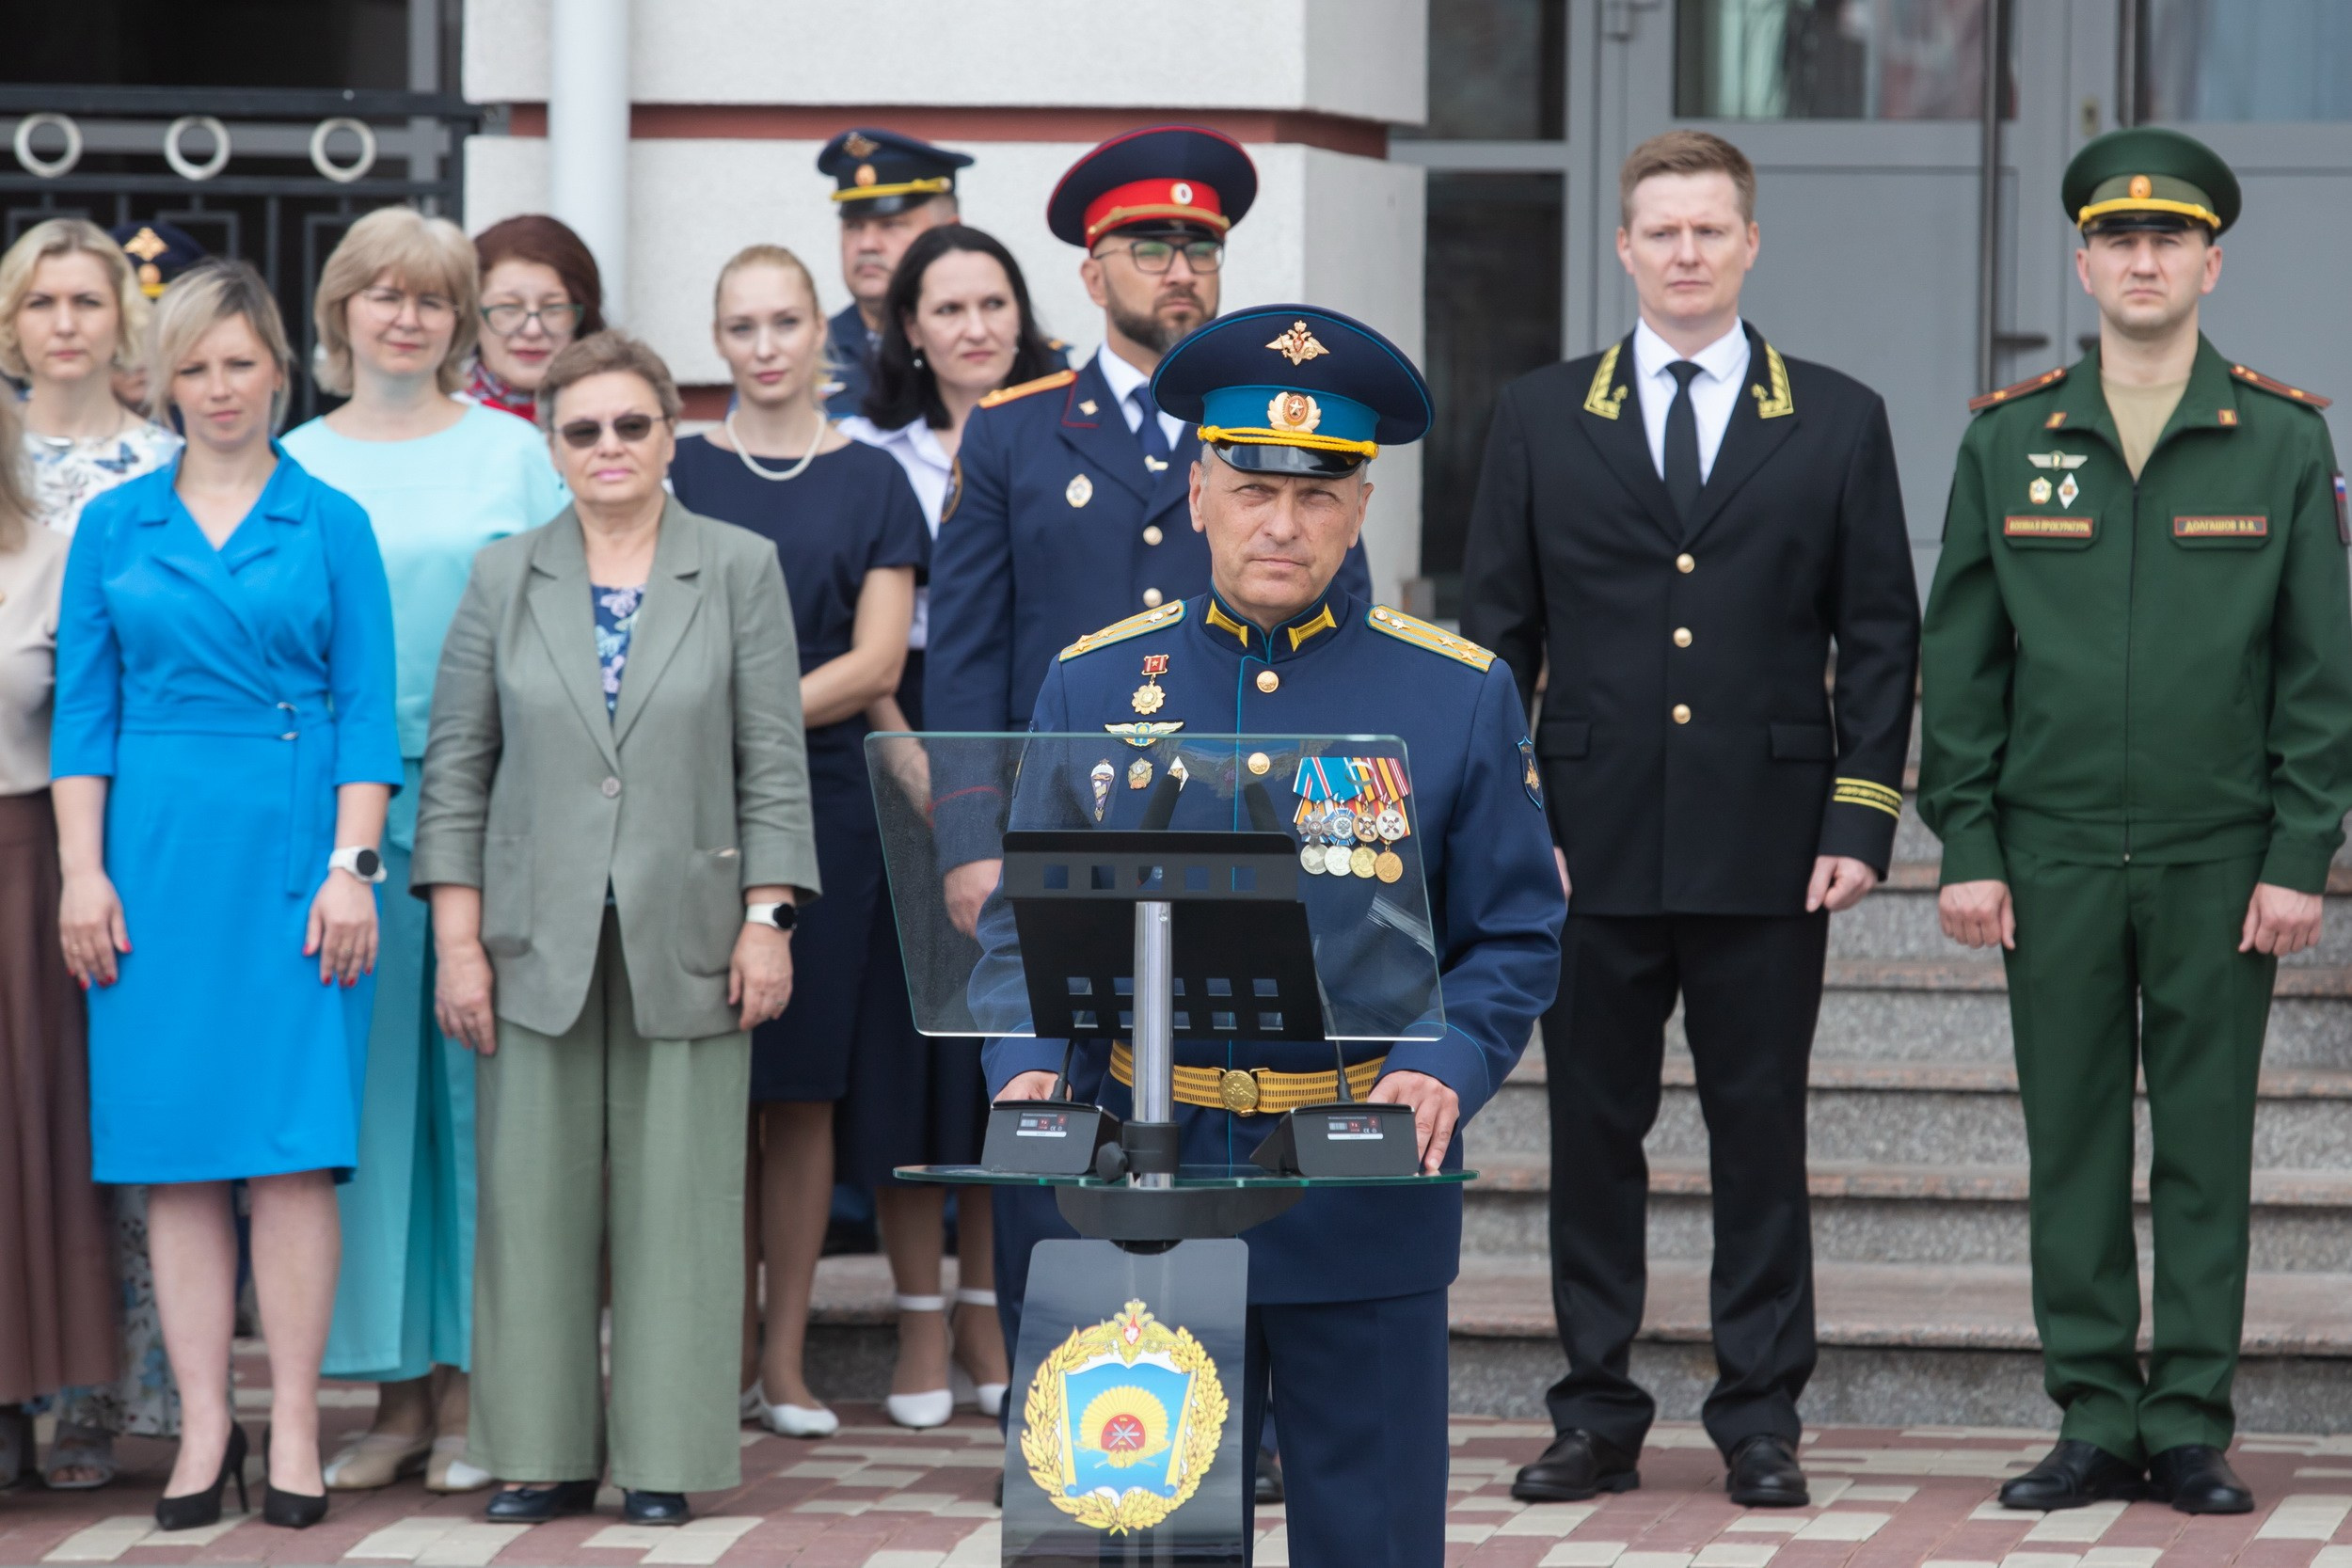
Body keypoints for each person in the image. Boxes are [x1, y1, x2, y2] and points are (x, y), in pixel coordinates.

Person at [981, 303, 1564, 1565]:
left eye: (1316, 495)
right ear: (1198, 492)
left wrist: (1446, 1064)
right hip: (1145, 1171)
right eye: (1251, 487)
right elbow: (1027, 923)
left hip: (1353, 1167)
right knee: (1135, 1537)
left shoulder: (1454, 692)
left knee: (1370, 1534)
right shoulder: (1095, 681)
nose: (1280, 523)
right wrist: (1026, 1058)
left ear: (1360, 508)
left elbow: (1516, 931)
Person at [1460, 130, 1917, 1509]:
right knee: (1591, 1134)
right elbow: (1494, 637)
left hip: (1770, 841)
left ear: (1751, 243)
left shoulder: (1835, 414)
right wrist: (1504, 818)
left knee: (1758, 1129)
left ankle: (1760, 1412)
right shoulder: (1543, 413)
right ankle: (1595, 1407)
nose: (1685, 253)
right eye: (1661, 230)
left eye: (1710, 230)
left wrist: (1861, 816)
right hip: (1583, 843)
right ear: (1624, 247)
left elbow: (1883, 634)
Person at [1919, 127, 2352, 1517]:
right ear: (2086, 260)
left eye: (2170, 239)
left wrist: (2300, 854)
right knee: (2077, 1138)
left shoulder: (2283, 437)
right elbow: (1963, 662)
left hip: (2220, 854)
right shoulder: (2008, 435)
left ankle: (2192, 1422)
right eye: (2119, 238)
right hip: (2049, 855)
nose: (2145, 257)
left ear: (2211, 262)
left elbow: (2320, 670)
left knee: (2209, 1143)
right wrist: (1969, 843)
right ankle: (2095, 1412)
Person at [413, 330, 818, 1528]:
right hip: (532, 937)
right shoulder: (503, 575)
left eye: (630, 425)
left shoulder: (738, 564)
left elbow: (772, 763)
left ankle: (663, 1453)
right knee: (529, 1205)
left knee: (682, 1206)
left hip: (692, 933)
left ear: (666, 433)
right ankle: (535, 1451)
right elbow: (456, 771)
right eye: (581, 429)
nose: (607, 447)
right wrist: (457, 939)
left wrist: (768, 919)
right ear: (550, 445)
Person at [52, 259, 402, 1531]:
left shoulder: (331, 520)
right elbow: (82, 719)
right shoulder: (113, 525)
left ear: (278, 370)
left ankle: (297, 1418)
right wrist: (82, 872)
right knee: (179, 1156)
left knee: (293, 1152)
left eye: (239, 364)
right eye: (193, 367)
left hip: (299, 855)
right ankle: (208, 1425)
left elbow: (371, 716)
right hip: (149, 859)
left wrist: (354, 871)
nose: (218, 390)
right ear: (161, 378)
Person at [283, 206, 566, 1497]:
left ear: (463, 323)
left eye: (434, 297)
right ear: (340, 310)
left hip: (492, 804)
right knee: (367, 1107)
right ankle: (393, 1391)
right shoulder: (288, 460)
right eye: (381, 293)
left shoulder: (517, 456)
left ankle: (482, 1391)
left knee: (484, 1107)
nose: (406, 315)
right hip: (332, 826)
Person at [666, 244, 961, 1433]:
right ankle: (704, 1349)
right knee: (696, 1084)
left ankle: (781, 1360)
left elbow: (881, 663)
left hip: (820, 797)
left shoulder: (873, 482)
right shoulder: (677, 467)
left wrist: (740, 703)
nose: (768, 343)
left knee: (799, 1093)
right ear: (719, 340)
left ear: (822, 336)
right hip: (682, 798)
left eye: (787, 319)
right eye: (742, 325)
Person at [833, 222, 1063, 1428]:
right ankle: (930, 1321)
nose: (974, 327)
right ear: (907, 328)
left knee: (1016, 1061)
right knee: (918, 1061)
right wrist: (915, 748)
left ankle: (994, 1315)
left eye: (993, 303)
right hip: (908, 757)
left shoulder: (1064, 428)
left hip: (1029, 760)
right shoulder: (877, 453)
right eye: (947, 308)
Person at [0, 216, 185, 1490]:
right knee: (31, 1115)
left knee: (116, 1111)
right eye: (40, 299)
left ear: (126, 319)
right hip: (27, 800)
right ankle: (32, 1384)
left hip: (145, 821)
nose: (65, 321)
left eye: (87, 298)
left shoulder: (168, 462)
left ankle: (117, 1393)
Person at [0, 392, 118, 1491]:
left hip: (29, 855)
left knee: (39, 1132)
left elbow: (87, 712)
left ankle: (55, 1391)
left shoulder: (59, 553)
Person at [815, 128, 969, 418]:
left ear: (950, 232)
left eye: (892, 225)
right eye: (853, 226)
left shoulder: (1004, 353)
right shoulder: (803, 356)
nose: (866, 244)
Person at [467, 215, 605, 421]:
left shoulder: (617, 425)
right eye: (509, 307)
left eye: (553, 308)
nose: (532, 330)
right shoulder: (436, 425)